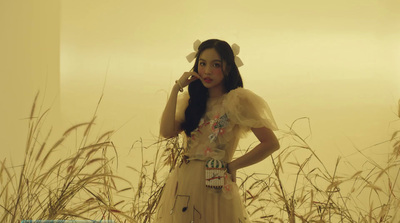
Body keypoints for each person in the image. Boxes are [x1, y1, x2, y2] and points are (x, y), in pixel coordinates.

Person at [155, 39, 280, 223]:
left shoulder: (237, 100)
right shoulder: (192, 102)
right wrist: (176, 89)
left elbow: (271, 143)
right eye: (202, 63)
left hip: (216, 183)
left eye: (215, 65)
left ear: (228, 68)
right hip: (184, 183)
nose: (207, 71)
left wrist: (233, 165)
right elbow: (166, 131)